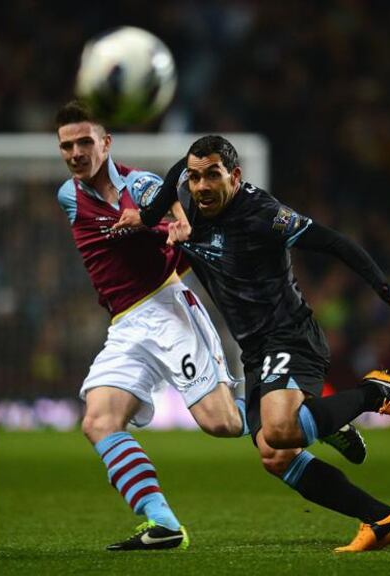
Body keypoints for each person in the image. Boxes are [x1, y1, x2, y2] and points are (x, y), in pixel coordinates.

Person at [117, 135, 390, 552]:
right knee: (275, 456)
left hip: (290, 334)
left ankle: (374, 392)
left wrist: (388, 290)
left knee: (281, 429)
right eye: (195, 177)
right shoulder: (184, 188)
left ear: (234, 176)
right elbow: (165, 190)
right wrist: (145, 218)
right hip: (255, 349)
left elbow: (332, 241)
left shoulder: (264, 215)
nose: (200, 187)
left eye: (212, 176)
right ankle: (382, 519)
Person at [55, 102, 245, 551]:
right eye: (67, 145)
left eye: (86, 142)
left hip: (167, 309)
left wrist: (176, 223)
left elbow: (171, 206)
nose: (76, 152)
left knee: (222, 424)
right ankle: (163, 524)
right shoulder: (69, 194)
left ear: (106, 143)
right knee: (99, 421)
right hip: (125, 325)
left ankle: (298, 409)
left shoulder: (138, 184)